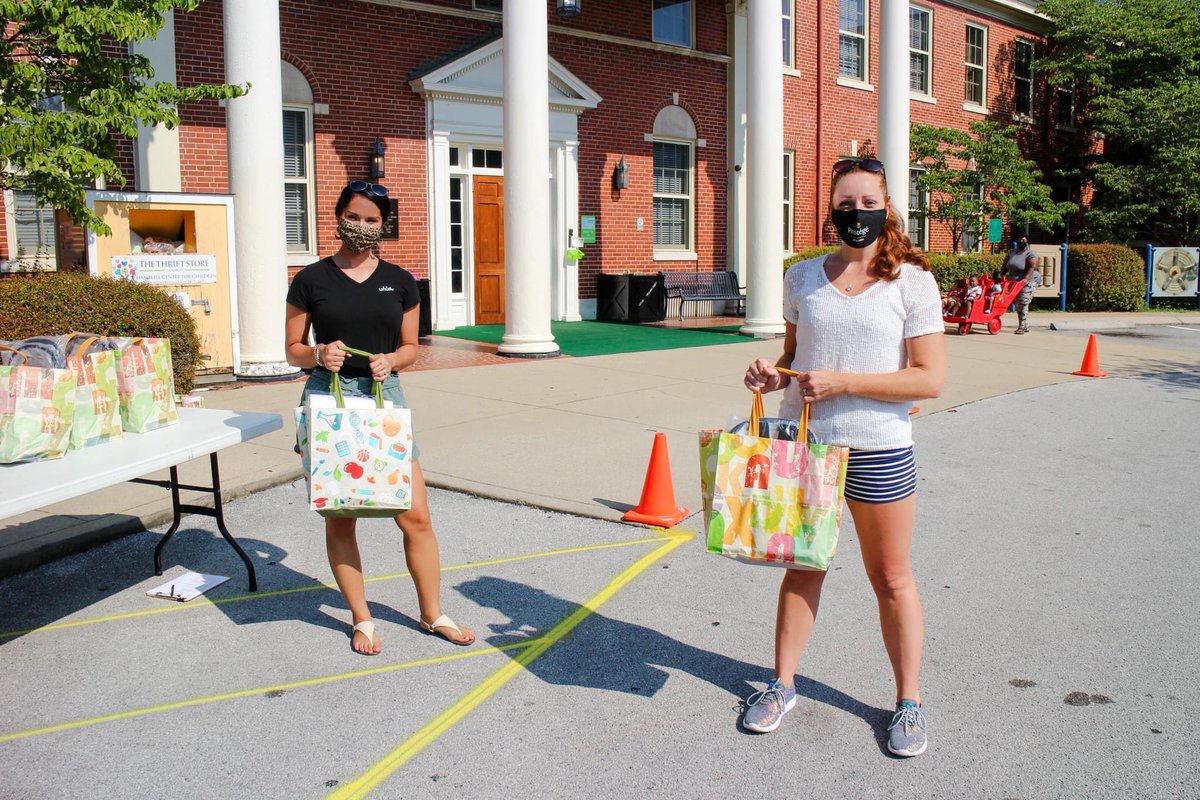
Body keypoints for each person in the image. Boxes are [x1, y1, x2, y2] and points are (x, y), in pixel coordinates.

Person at [742, 157, 946, 757]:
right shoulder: (802, 276)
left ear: (887, 208)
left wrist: (844, 383)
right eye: (845, 203)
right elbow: (793, 357)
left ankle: (908, 701)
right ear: (829, 208)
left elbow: (929, 380)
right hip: (808, 449)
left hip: (880, 450)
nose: (856, 213)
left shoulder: (912, 281)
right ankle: (781, 684)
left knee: (890, 578)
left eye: (867, 202)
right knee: (802, 567)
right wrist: (767, 376)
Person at [284, 180, 475, 655]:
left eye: (372, 220)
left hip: (383, 397)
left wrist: (393, 360)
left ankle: (433, 613)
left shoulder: (402, 280)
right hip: (329, 399)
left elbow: (411, 346)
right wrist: (317, 354)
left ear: (384, 224)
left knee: (415, 516)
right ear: (338, 217)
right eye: (354, 217)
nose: (362, 227)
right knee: (341, 516)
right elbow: (291, 350)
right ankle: (362, 618)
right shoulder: (311, 279)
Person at [1004, 236, 1041, 334]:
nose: (1021, 241)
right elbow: (1005, 265)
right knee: (1017, 304)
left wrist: (1026, 279)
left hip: (1029, 281)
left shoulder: (1030, 253)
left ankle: (1022, 327)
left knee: (1023, 302)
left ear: (1028, 242)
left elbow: (1032, 266)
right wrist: (1000, 275)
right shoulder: (1012, 252)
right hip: (1014, 281)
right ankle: (1025, 325)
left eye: (1024, 240)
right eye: (1020, 239)